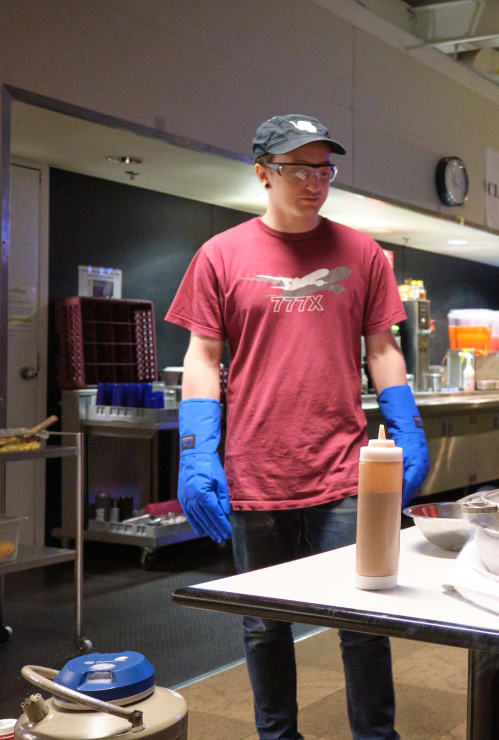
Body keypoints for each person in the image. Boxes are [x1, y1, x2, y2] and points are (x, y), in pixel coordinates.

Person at [166, 113, 429, 740]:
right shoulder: (220, 255)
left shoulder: (361, 253)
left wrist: (409, 428)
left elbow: (383, 348)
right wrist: (197, 452)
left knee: (364, 618)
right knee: (264, 624)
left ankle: (376, 735)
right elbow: (203, 359)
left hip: (343, 468)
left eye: (324, 169)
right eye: (298, 169)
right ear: (263, 173)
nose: (315, 182)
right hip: (255, 470)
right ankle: (276, 736)